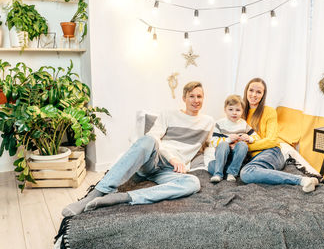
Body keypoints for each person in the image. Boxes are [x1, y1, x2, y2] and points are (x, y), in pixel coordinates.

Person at [62, 81, 214, 217]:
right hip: (154, 160)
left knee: (193, 183)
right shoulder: (168, 114)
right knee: (148, 140)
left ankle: (125, 197)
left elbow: (210, 145)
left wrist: (224, 151)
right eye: (191, 96)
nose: (196, 100)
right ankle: (97, 192)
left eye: (199, 97)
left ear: (203, 98)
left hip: (171, 172)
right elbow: (153, 137)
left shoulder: (208, 122)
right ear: (184, 98)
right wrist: (171, 158)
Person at [239, 78, 319, 192]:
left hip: (272, 152)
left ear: (263, 95)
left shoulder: (269, 111)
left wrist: (246, 147)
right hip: (251, 158)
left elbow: (272, 141)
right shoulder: (239, 112)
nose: (253, 95)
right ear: (246, 91)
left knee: (246, 173)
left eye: (258, 92)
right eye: (251, 90)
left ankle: (302, 180)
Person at [208, 95, 259, 183]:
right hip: (222, 157)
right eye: (231, 109)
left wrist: (248, 138)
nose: (234, 113)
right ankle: (218, 174)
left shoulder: (243, 124)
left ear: (242, 111)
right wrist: (228, 140)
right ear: (225, 110)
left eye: (238, 110)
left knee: (243, 145)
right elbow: (212, 142)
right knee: (212, 163)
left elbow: (257, 137)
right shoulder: (219, 123)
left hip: (237, 158)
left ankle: (232, 173)